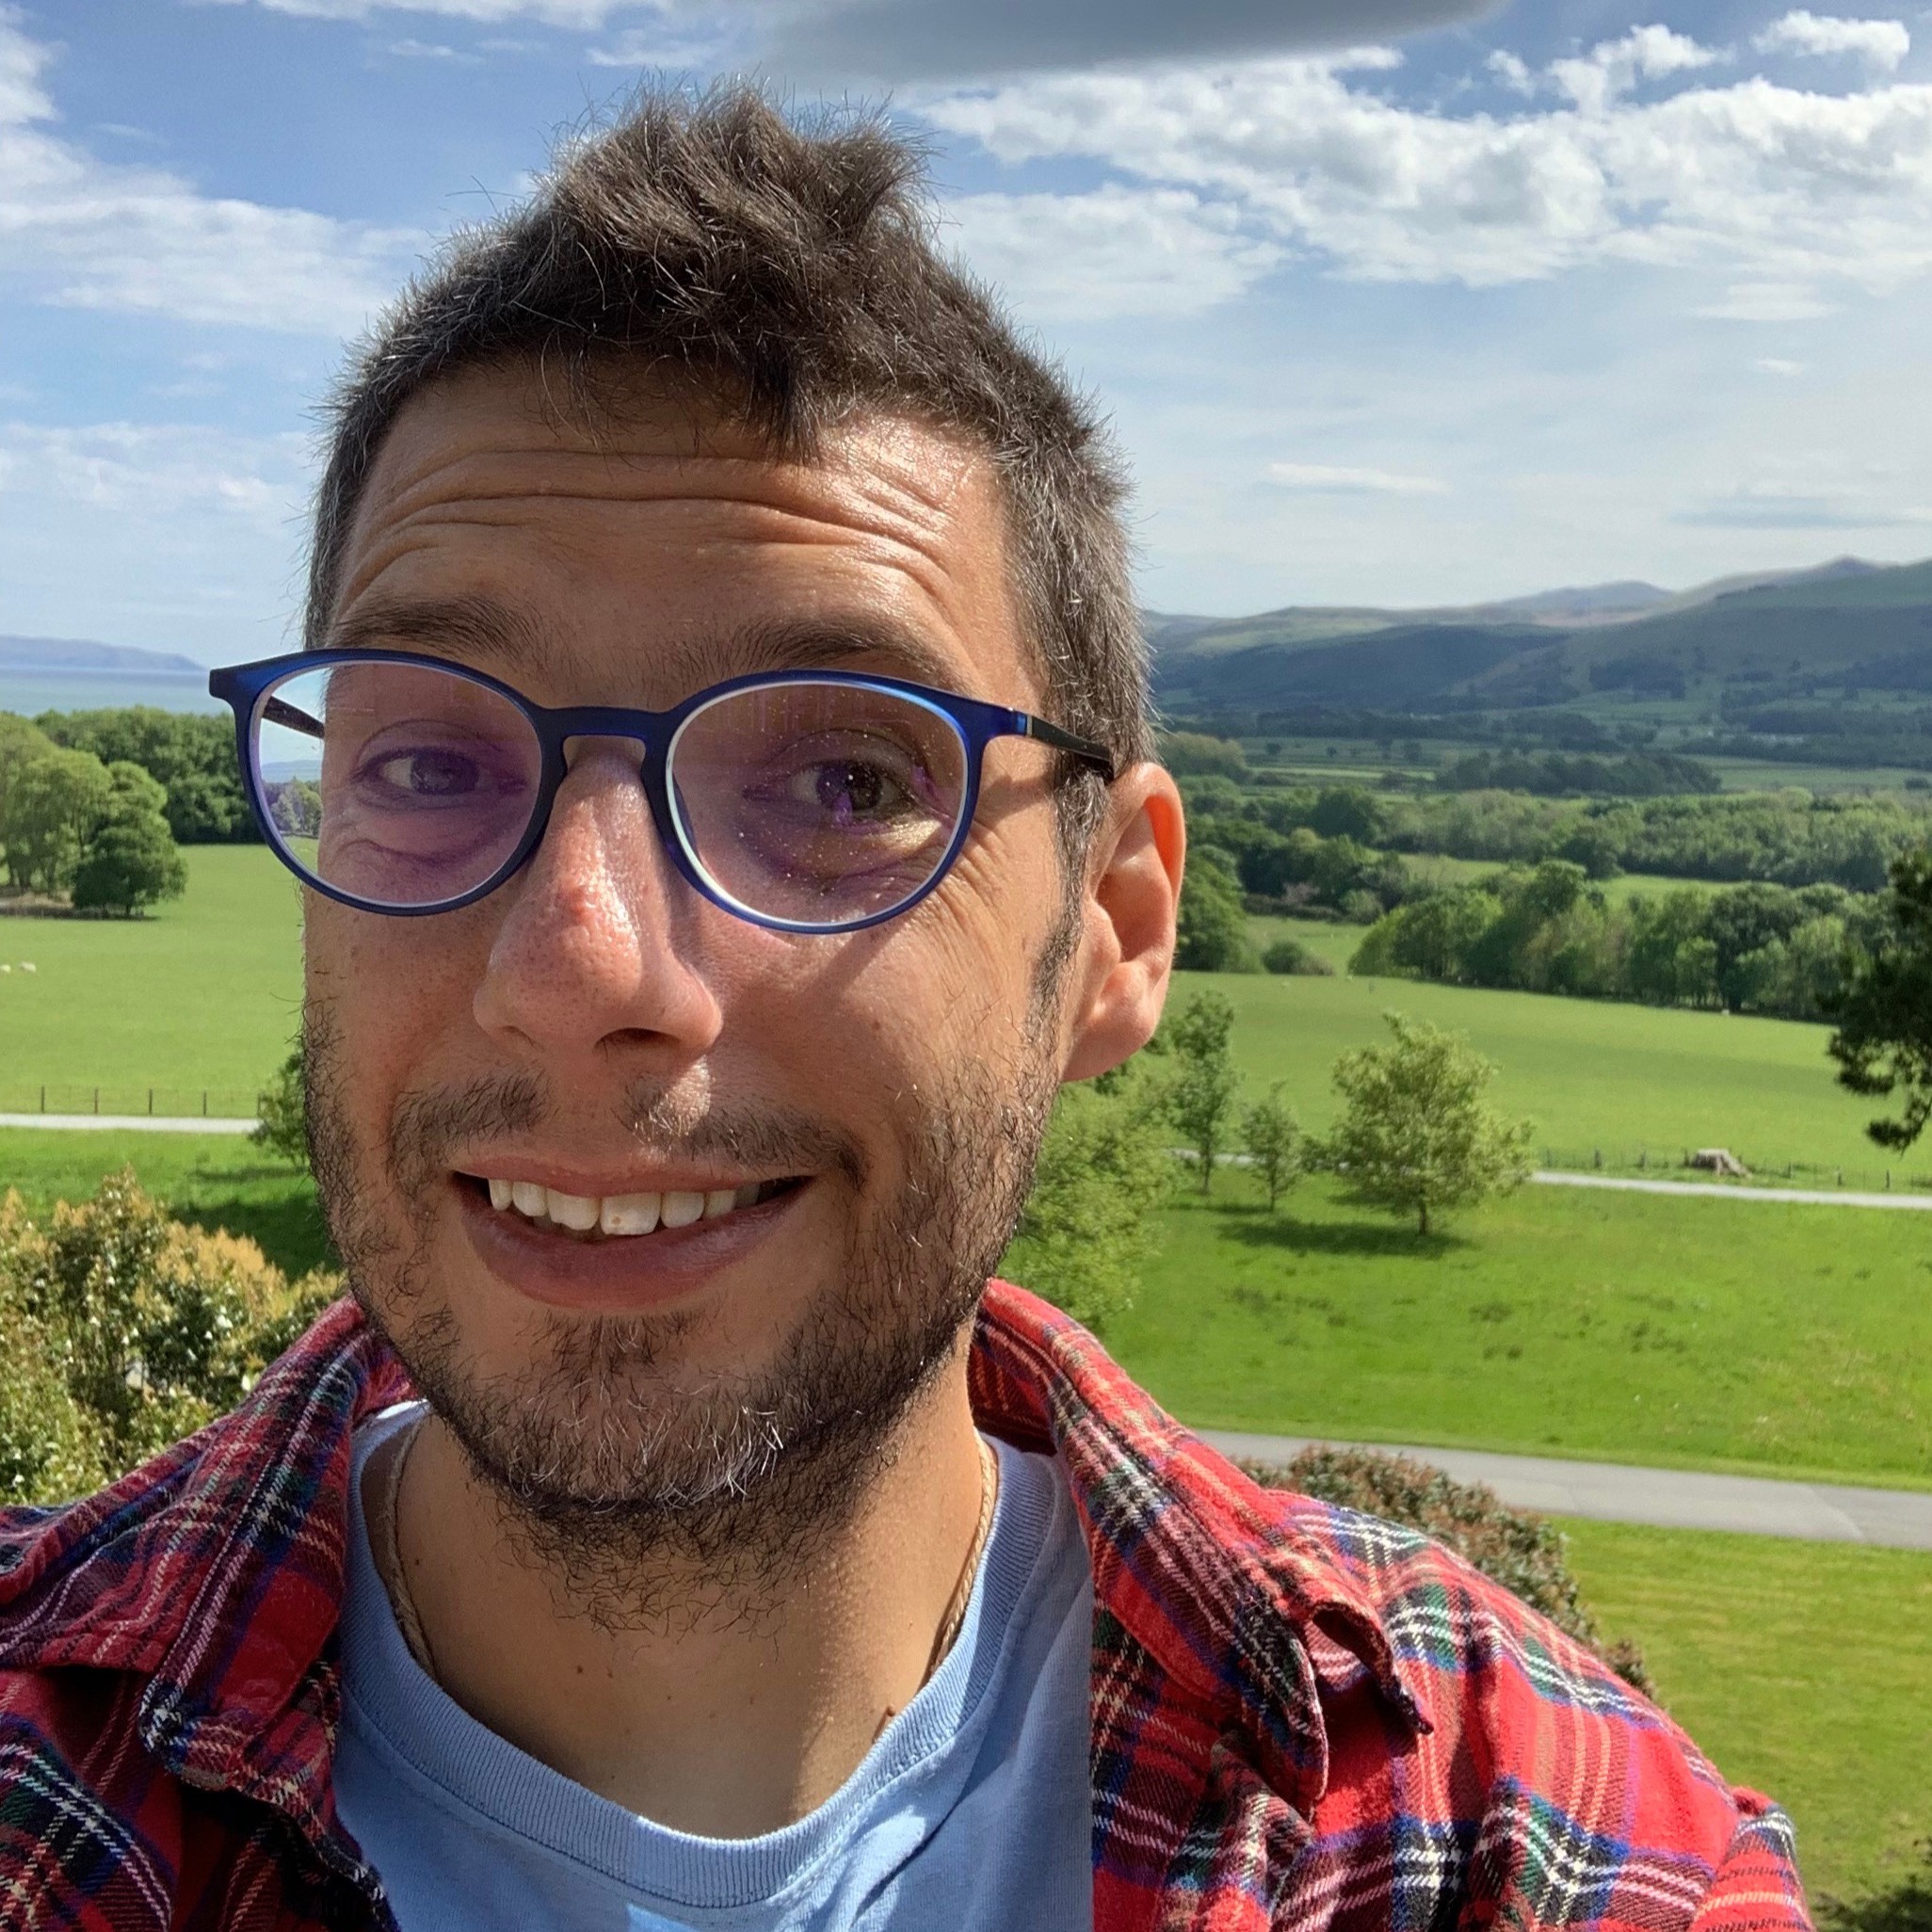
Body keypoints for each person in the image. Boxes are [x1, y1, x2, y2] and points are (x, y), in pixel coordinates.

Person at [0, 89, 1808, 1932]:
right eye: (426, 758)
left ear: (1112, 930)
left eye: (846, 782)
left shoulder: (1484, 1817)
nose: (577, 967)